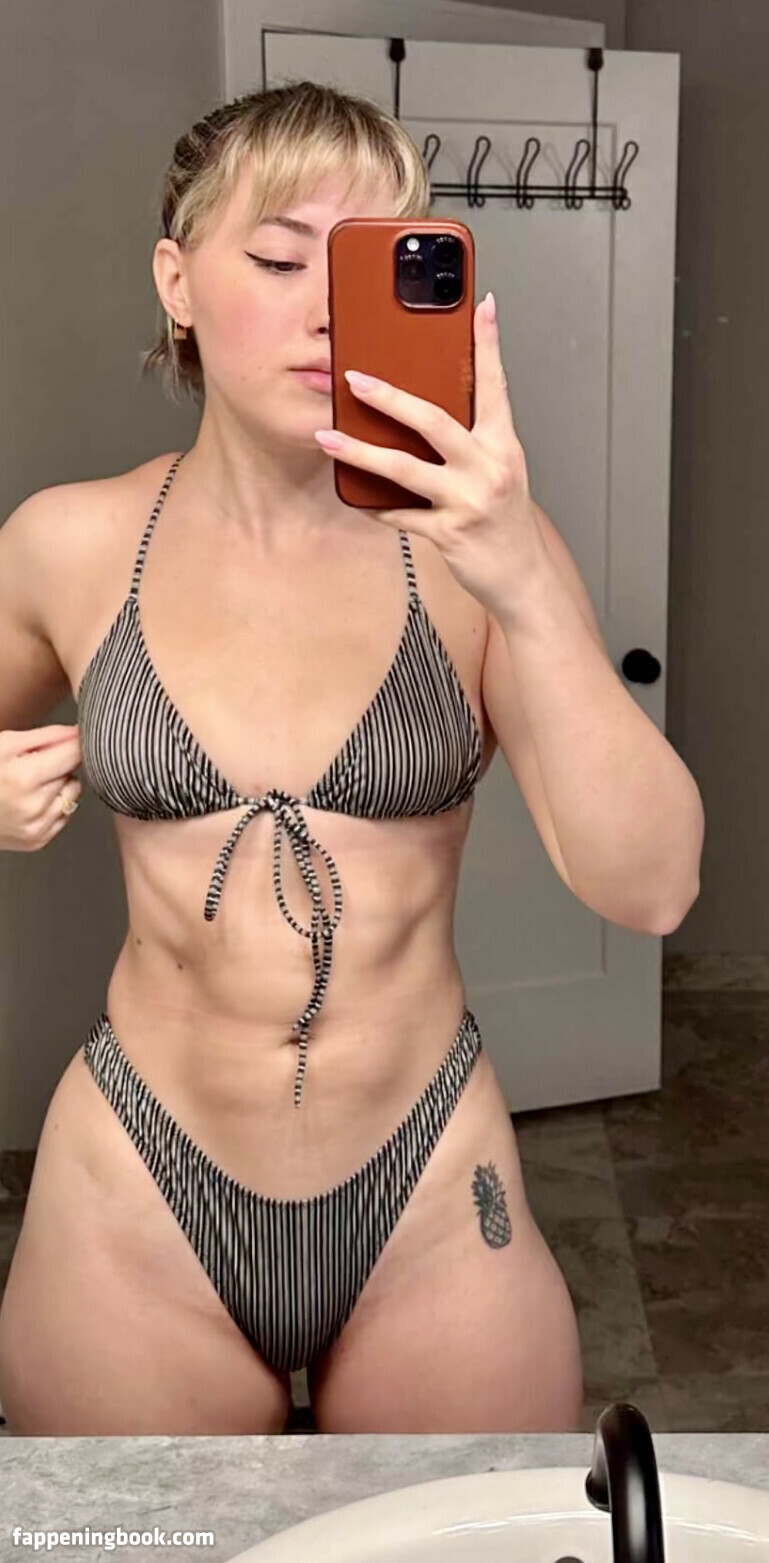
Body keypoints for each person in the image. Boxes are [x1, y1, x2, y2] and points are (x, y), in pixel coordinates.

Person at [0, 81, 703, 1434]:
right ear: (177, 282)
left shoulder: (482, 559)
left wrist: (521, 576)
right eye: (278, 261)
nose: (327, 311)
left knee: (447, 1527)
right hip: (135, 1193)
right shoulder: (67, 545)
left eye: (373, 267)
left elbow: (653, 886)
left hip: (427, 1187)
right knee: (147, 1535)